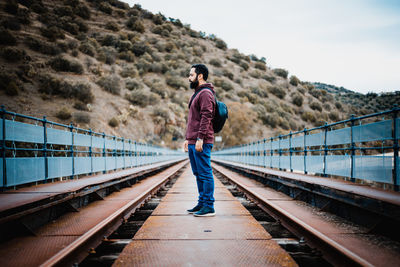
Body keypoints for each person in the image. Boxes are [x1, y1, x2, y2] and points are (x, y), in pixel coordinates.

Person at [184, 64, 216, 217]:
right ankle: (202, 202)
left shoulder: (205, 93)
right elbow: (193, 119)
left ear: (200, 76)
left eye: (191, 74)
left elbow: (206, 116)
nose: (189, 77)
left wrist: (200, 138)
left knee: (204, 173)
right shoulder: (197, 93)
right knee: (198, 173)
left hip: (201, 141)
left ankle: (209, 206)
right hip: (193, 140)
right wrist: (187, 139)